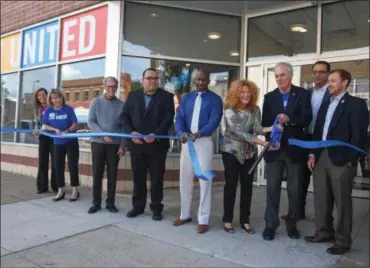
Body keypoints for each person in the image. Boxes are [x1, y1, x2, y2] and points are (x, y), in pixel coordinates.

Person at [305, 69, 369, 255]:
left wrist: (351, 159)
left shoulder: (357, 104)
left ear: (345, 83)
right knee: (321, 198)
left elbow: (359, 134)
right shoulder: (326, 104)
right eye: (329, 81)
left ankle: (342, 240)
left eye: (333, 81)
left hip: (342, 158)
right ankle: (324, 232)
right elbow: (318, 131)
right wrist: (312, 153)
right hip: (321, 155)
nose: (329, 84)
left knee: (342, 201)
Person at [220, 79, 282, 234]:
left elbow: (256, 127)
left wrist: (271, 128)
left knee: (247, 187)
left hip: (249, 153)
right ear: (236, 93)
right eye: (242, 92)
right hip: (231, 153)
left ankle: (245, 220)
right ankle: (227, 219)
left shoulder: (255, 109)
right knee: (231, 186)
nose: (246, 95)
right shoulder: (229, 110)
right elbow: (240, 132)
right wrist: (263, 144)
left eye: (249, 92)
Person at [261, 62, 312, 241]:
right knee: (272, 189)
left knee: (295, 190)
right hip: (274, 150)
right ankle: (270, 225)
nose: (279, 79)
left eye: (282, 75)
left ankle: (292, 224)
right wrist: (270, 141)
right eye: (276, 76)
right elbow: (265, 122)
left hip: (295, 149)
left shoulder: (303, 94)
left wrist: (289, 120)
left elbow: (306, 118)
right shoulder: (269, 97)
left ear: (290, 75)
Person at [120, 68, 174, 221]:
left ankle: (156, 208)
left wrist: (156, 134)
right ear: (143, 80)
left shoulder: (166, 97)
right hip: (137, 145)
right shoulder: (133, 96)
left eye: (155, 78)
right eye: (149, 78)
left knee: (157, 179)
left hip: (157, 145)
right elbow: (124, 116)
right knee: (138, 178)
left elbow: (169, 118)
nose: (153, 81)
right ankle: (138, 207)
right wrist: (131, 133)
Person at [173, 69, 223, 234]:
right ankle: (185, 214)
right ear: (195, 80)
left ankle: (203, 218)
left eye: (204, 80)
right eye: (198, 80)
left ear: (209, 80)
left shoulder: (215, 99)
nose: (201, 82)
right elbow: (179, 117)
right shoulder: (187, 98)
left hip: (203, 142)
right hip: (187, 143)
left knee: (204, 181)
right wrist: (180, 133)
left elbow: (214, 120)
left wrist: (199, 133)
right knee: (185, 178)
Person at [281, 61, 331, 221]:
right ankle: (297, 212)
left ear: (328, 74)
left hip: (323, 140)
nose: (317, 75)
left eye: (322, 72)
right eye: (315, 72)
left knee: (323, 182)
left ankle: (324, 220)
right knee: (300, 179)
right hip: (304, 137)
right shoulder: (306, 93)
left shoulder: (332, 93)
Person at [87, 77, 125, 214]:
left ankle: (110, 203)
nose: (112, 89)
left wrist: (122, 145)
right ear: (104, 86)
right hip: (98, 143)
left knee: (112, 174)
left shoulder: (121, 104)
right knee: (97, 173)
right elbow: (91, 121)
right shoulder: (96, 102)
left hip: (114, 145)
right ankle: (96, 203)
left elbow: (123, 127)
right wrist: (102, 134)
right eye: (109, 86)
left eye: (114, 86)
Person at [42, 89, 80, 202]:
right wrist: (55, 130)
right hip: (57, 142)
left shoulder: (68, 109)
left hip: (71, 141)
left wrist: (68, 131)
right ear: (51, 100)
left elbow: (75, 123)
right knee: (58, 166)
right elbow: (44, 126)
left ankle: (75, 190)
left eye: (58, 97)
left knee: (73, 165)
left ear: (62, 98)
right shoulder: (48, 111)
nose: (56, 100)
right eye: (53, 98)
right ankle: (60, 190)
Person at [33, 87, 57, 194]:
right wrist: (36, 130)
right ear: (37, 98)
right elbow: (37, 124)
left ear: (47, 95)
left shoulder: (52, 107)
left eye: (43, 94)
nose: (41, 97)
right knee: (43, 162)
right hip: (43, 138)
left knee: (55, 162)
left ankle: (56, 187)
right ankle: (42, 187)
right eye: (39, 95)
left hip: (53, 137)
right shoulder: (38, 109)